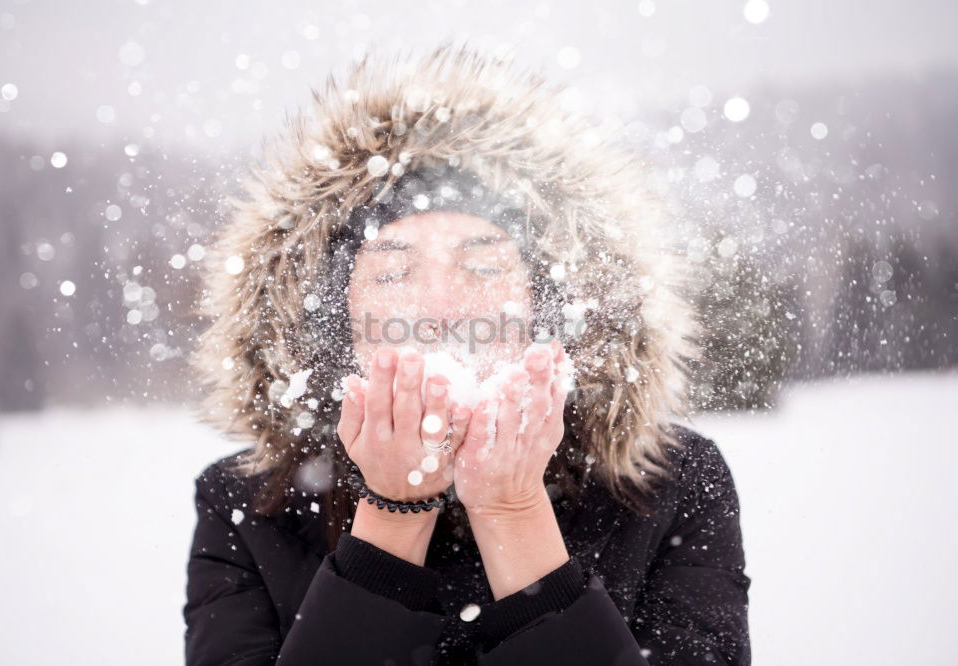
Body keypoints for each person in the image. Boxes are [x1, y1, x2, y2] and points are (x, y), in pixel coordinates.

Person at [184, 43, 751, 665]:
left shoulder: (667, 485)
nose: (440, 307)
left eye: (483, 266)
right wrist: (393, 515)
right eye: (392, 273)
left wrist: (514, 512)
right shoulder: (252, 505)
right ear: (334, 323)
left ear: (546, 305)